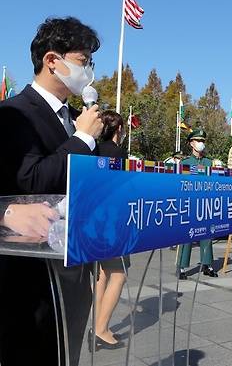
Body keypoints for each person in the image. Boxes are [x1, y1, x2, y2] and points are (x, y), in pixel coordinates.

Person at [0, 16, 103, 366]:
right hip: (32, 283)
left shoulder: (77, 116)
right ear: (51, 60)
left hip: (75, 268)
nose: (87, 71)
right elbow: (30, 180)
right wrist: (82, 139)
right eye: (82, 61)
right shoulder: (15, 113)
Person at [93, 110, 130, 350]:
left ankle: (96, 324)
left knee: (102, 274)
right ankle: (101, 329)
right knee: (118, 273)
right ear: (119, 130)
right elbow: (124, 189)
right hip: (112, 222)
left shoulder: (93, 150)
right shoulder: (118, 154)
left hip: (94, 221)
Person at [177, 129, 218, 279]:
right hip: (190, 203)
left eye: (202, 141)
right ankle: (181, 268)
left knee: (207, 234)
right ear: (191, 143)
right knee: (186, 235)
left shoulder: (209, 162)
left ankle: (207, 264)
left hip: (205, 203)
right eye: (198, 141)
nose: (201, 144)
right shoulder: (185, 162)